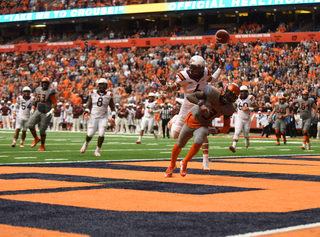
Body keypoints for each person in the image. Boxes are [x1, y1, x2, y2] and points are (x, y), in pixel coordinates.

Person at [160, 55, 225, 171]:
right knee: (175, 134)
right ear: (190, 67)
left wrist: (220, 67)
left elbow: (214, 79)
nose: (197, 71)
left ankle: (205, 160)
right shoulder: (183, 76)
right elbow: (170, 89)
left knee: (203, 131)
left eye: (199, 69)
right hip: (187, 105)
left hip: (201, 107)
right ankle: (175, 119)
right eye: (195, 68)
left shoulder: (205, 72)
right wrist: (164, 85)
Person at [164, 83, 240, 178]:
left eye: (233, 97)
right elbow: (191, 97)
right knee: (180, 144)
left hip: (204, 125)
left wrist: (217, 130)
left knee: (199, 141)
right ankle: (172, 165)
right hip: (192, 120)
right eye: (229, 94)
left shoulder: (229, 108)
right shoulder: (212, 92)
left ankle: (184, 162)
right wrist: (200, 104)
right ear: (224, 90)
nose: (229, 98)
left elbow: (227, 127)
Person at [80, 78, 116, 156]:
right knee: (90, 134)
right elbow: (89, 105)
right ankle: (85, 144)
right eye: (100, 85)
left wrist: (113, 117)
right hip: (93, 116)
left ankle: (97, 150)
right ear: (98, 85)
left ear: (106, 86)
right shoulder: (93, 93)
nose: (102, 86)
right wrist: (87, 112)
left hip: (103, 117)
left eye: (104, 85)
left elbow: (112, 107)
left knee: (102, 133)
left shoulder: (109, 95)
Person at [27, 77, 57, 151]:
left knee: (42, 130)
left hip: (46, 112)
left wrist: (52, 111)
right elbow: (37, 100)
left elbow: (55, 103)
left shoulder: (51, 91)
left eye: (46, 83)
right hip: (38, 110)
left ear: (48, 84)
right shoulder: (38, 89)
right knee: (30, 125)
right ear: (41, 83)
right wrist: (33, 108)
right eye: (44, 83)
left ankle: (42, 145)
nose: (45, 84)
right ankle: (36, 138)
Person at [229, 85, 258, 153]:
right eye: (242, 92)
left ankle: (247, 140)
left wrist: (249, 108)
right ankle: (234, 146)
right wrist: (230, 113)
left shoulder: (251, 98)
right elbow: (234, 106)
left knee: (246, 134)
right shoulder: (237, 98)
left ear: (247, 92)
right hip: (239, 118)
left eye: (245, 92)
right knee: (237, 132)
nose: (243, 93)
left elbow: (257, 108)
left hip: (247, 118)